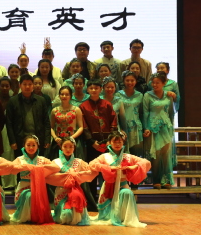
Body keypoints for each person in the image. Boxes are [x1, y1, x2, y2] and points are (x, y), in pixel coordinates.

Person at [89, 131, 151, 227]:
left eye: (120, 142)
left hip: (123, 185)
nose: (117, 144)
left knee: (127, 193)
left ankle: (125, 217)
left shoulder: (128, 157)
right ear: (109, 142)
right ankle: (112, 216)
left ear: (123, 143)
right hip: (109, 186)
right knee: (107, 217)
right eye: (115, 142)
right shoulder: (105, 156)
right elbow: (92, 164)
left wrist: (134, 166)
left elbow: (146, 162)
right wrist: (109, 168)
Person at [80, 79, 118, 211]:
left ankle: (107, 201)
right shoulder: (83, 106)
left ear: (101, 89)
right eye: (91, 88)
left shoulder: (107, 104)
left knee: (107, 172)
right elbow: (84, 125)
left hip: (107, 142)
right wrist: (91, 142)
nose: (94, 90)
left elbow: (113, 122)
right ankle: (92, 203)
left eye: (96, 88)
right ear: (87, 90)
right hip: (92, 144)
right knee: (92, 172)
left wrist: (109, 141)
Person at [46, 137, 98, 225]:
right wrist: (65, 177)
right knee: (66, 215)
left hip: (75, 190)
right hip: (61, 191)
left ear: (74, 148)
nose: (68, 149)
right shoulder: (56, 162)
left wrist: (77, 175)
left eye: (71, 147)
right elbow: (49, 176)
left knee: (74, 214)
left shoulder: (79, 162)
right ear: (61, 147)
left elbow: (90, 172)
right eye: (65, 146)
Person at [10, 135, 60, 224]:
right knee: (29, 195)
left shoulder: (42, 159)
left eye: (34, 145)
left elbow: (56, 168)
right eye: (28, 145)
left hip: (38, 187)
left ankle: (36, 216)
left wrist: (42, 167)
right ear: (24, 146)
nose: (31, 148)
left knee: (34, 195)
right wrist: (24, 167)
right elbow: (11, 169)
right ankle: (27, 217)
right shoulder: (20, 159)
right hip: (24, 187)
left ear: (38, 146)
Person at [143, 72, 176, 189]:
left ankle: (166, 180)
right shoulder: (147, 95)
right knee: (156, 154)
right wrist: (146, 128)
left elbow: (171, 113)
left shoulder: (168, 95)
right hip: (153, 127)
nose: (155, 85)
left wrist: (171, 127)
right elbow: (145, 113)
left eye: (157, 82)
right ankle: (156, 180)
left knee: (166, 154)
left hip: (166, 127)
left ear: (164, 83)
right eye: (153, 82)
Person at [6, 74, 51, 154]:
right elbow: (9, 123)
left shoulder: (41, 100)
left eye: (30, 84)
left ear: (33, 85)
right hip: (20, 140)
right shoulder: (13, 101)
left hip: (38, 139)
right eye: (24, 84)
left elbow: (46, 122)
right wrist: (12, 141)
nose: (27, 87)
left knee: (39, 161)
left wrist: (47, 139)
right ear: (20, 85)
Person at [50, 86, 84, 159]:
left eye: (67, 94)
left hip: (73, 140)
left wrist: (72, 138)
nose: (64, 96)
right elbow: (51, 127)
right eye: (62, 94)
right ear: (59, 96)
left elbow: (81, 127)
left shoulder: (76, 109)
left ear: (71, 96)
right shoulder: (54, 110)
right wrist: (55, 137)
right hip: (58, 141)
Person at [118, 71, 144, 157]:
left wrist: (145, 128)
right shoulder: (118, 95)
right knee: (124, 155)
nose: (130, 82)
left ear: (136, 81)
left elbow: (142, 113)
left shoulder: (140, 95)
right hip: (123, 128)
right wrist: (119, 128)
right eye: (127, 80)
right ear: (123, 81)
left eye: (132, 80)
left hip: (136, 128)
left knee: (137, 155)